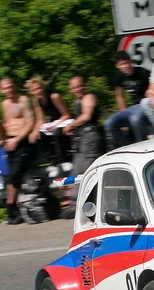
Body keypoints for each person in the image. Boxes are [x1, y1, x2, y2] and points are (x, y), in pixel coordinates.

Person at [61, 76, 104, 219]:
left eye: (79, 86)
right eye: (74, 87)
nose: (77, 89)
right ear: (71, 90)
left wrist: (71, 125)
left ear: (84, 85)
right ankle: (77, 204)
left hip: (91, 137)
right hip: (81, 139)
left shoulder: (89, 97)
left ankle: (94, 204)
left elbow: (86, 116)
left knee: (89, 170)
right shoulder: (77, 102)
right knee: (76, 172)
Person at [0, 77, 35, 224]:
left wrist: (17, 139)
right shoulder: (4, 104)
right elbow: (6, 123)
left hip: (22, 141)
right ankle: (13, 211)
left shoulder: (24, 100)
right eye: (6, 88)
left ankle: (11, 208)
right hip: (10, 142)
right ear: (1, 90)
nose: (9, 90)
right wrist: (5, 140)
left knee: (14, 175)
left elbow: (29, 122)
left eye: (11, 86)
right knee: (10, 177)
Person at [105, 51, 151, 148]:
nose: (126, 66)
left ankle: (144, 146)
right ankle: (125, 146)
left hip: (145, 104)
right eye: (122, 64)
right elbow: (120, 96)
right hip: (132, 108)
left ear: (131, 62)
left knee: (135, 119)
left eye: (127, 63)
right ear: (117, 66)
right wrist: (123, 113)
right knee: (109, 123)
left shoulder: (143, 73)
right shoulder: (119, 77)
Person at [26, 76, 72, 164]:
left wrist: (54, 125)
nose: (38, 91)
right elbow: (40, 119)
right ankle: (51, 160)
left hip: (63, 120)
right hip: (52, 123)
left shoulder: (54, 96)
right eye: (34, 90)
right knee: (39, 135)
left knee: (57, 134)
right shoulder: (36, 101)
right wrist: (34, 131)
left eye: (39, 88)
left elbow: (66, 114)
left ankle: (63, 160)